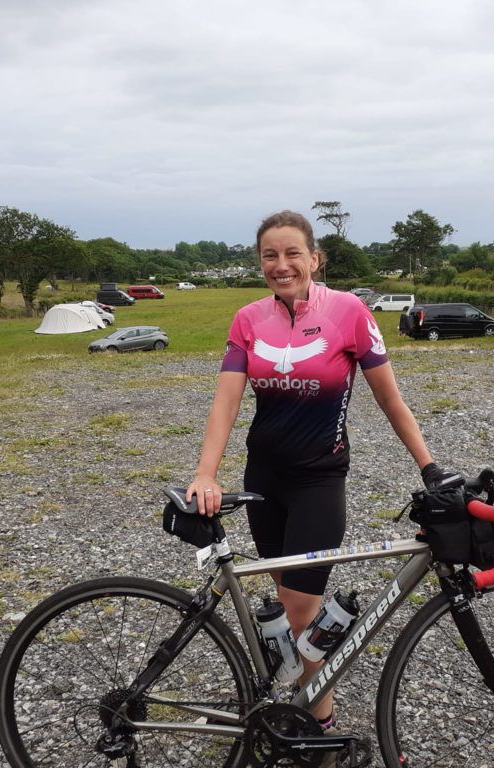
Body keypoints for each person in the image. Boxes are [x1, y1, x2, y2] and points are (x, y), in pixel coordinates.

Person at [187, 210, 447, 747]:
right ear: (259, 261)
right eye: (269, 256)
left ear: (314, 258)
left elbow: (388, 398)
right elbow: (226, 400)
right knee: (291, 608)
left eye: (292, 254)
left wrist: (430, 468)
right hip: (264, 481)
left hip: (318, 482)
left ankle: (314, 728)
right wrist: (205, 472)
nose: (280, 266)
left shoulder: (349, 312)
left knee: (304, 616)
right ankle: (303, 720)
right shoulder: (248, 319)